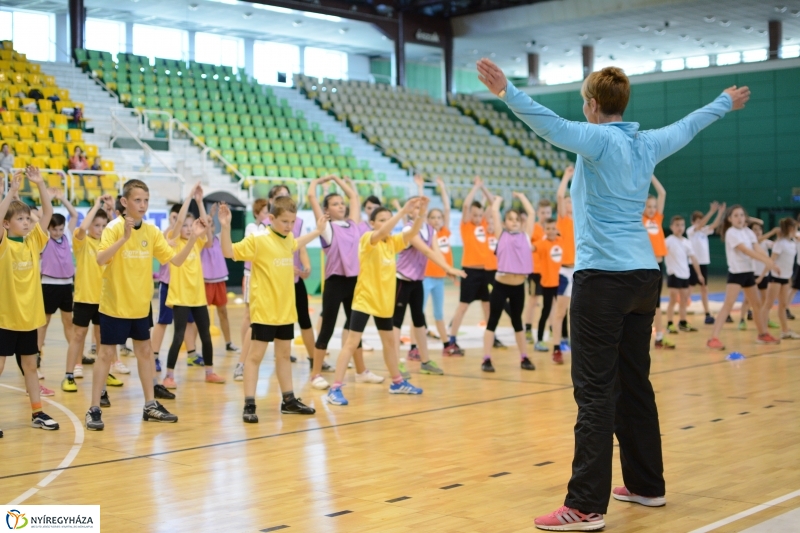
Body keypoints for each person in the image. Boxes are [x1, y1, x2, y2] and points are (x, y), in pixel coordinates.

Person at [477, 57, 750, 530]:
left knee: (595, 392)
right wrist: (724, 102)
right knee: (634, 383)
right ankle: (647, 485)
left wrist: (506, 91)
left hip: (602, 280)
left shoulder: (597, 139)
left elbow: (548, 123)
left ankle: (585, 505)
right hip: (644, 276)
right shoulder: (647, 142)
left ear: (591, 105)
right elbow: (690, 125)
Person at [85, 179, 207, 431]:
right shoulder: (113, 228)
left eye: (146, 200)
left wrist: (193, 238)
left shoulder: (151, 231)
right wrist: (124, 238)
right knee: (105, 355)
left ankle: (150, 405)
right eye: (137, 200)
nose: (142, 205)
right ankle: (94, 408)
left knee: (144, 353)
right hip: (115, 305)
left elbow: (175, 261)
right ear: (124, 202)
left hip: (140, 306)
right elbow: (100, 259)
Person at [219, 199, 325, 422]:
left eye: (292, 222)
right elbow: (228, 251)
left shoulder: (288, 239)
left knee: (284, 356)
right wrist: (226, 226)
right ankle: (249, 404)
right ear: (271, 218)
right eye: (285, 221)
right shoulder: (258, 240)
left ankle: (288, 401)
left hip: (285, 311)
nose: (289, 226)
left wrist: (317, 231)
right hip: (264, 311)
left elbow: (297, 242)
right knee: (255, 357)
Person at [324, 198, 428, 406]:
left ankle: (397, 382)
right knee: (352, 343)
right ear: (372, 223)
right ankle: (334, 388)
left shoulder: (391, 242)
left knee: (389, 343)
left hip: (384, 303)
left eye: (388, 219)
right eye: (381, 219)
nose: (386, 223)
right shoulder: (368, 239)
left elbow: (412, 233)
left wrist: (421, 213)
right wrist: (401, 213)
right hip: (365, 300)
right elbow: (383, 231)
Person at [0, 168, 61, 435]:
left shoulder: (33, 241)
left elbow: (47, 214)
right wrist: (11, 192)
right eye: (20, 219)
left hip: (28, 319)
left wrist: (40, 185)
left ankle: (37, 412)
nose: (26, 222)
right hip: (4, 318)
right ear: (6, 224)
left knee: (30, 367)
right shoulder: (4, 244)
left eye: (27, 218)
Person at [307, 175, 379, 390]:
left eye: (341, 203)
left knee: (355, 328)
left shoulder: (353, 225)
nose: (341, 206)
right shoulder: (327, 227)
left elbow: (354, 197)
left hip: (355, 283)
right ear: (327, 210)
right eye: (335, 204)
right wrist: (317, 183)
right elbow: (311, 197)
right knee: (327, 328)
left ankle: (361, 372)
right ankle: (315, 374)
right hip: (335, 283)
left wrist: (338, 179)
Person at [392, 178, 465, 378]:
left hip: (418, 281)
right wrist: (448, 267)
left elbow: (436, 251)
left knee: (420, 322)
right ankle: (396, 364)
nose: (419, 210)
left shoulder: (431, 230)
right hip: (402, 280)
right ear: (410, 212)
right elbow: (426, 251)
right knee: (396, 322)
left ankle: (425, 362)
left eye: (421, 206)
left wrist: (447, 269)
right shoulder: (408, 229)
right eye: (415, 207)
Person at [163, 185, 224, 389]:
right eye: (185, 226)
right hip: (180, 296)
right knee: (178, 335)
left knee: (205, 335)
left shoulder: (197, 242)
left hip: (197, 297)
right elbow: (179, 220)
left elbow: (205, 226)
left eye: (191, 225)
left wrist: (200, 201)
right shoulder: (173, 242)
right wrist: (189, 196)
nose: (188, 228)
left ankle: (209, 372)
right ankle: (169, 375)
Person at [707, 206, 780, 350]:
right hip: (737, 273)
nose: (739, 218)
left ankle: (762, 334)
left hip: (748, 272)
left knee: (756, 304)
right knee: (728, 305)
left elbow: (757, 248)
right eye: (736, 215)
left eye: (741, 215)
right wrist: (766, 261)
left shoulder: (748, 232)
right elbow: (746, 251)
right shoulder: (731, 233)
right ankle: (713, 338)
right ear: (730, 219)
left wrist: (770, 261)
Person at [62, 195, 113, 398]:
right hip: (84, 298)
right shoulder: (81, 242)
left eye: (103, 225)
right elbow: (82, 228)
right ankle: (69, 375)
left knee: (103, 339)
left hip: (105, 299)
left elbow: (118, 230)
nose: (100, 229)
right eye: (97, 225)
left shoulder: (107, 244)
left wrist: (110, 211)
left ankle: (104, 376)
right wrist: (97, 204)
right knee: (78, 336)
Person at [481, 193, 535, 373]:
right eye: (510, 219)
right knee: (492, 321)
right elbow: (495, 212)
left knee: (517, 322)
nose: (514, 222)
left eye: (517, 219)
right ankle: (486, 358)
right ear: (504, 223)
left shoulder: (526, 236)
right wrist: (497, 201)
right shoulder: (501, 234)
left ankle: (524, 357)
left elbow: (532, 213)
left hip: (518, 287)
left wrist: (522, 197)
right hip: (501, 286)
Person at [37, 189, 82, 395]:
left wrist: (62, 198)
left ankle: (76, 361)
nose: (57, 232)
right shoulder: (44, 237)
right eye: (54, 229)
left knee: (69, 322)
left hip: (66, 285)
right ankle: (36, 359)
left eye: (60, 229)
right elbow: (41, 214)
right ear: (49, 228)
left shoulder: (67, 237)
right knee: (43, 323)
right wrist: (47, 197)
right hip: (48, 284)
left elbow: (74, 215)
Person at [150, 203, 196, 390]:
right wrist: (174, 224)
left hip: (185, 287)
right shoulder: (168, 235)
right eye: (177, 218)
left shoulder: (189, 238)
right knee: (163, 322)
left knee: (189, 322)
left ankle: (192, 353)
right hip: (168, 285)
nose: (180, 222)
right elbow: (164, 240)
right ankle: (154, 356)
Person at [446, 177, 491, 355]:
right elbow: (466, 205)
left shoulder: (484, 223)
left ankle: (491, 336)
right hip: (470, 271)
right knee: (463, 306)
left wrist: (483, 188)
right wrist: (476, 187)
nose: (478, 218)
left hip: (485, 272)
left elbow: (492, 203)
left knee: (487, 306)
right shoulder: (466, 226)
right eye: (475, 215)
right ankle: (452, 339)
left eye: (480, 215)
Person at [233, 197, 269, 381]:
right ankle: (243, 357)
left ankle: (248, 356)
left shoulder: (273, 230)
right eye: (265, 212)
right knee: (249, 315)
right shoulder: (252, 228)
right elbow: (254, 247)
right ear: (256, 213)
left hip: (266, 276)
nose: (268, 215)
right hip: (251, 274)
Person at [200, 203, 239, 354]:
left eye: (212, 224)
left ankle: (228, 342)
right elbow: (206, 231)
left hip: (219, 281)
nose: (210, 226)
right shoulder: (202, 240)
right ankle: (200, 346)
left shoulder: (218, 239)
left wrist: (222, 216)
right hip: (205, 282)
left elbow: (225, 230)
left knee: (223, 313)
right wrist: (209, 217)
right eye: (208, 224)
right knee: (201, 316)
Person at [642, 176, 673, 349]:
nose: (652, 209)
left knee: (657, 302)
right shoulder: (640, 220)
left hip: (658, 266)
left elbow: (662, 193)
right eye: (649, 206)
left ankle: (659, 337)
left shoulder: (657, 219)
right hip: (645, 266)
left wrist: (651, 176)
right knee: (644, 302)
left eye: (654, 206)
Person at [423, 177, 454, 348]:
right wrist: (421, 188)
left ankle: (446, 345)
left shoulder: (445, 232)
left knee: (439, 313)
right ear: (428, 220)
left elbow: (447, 208)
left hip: (440, 279)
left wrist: (442, 187)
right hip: (425, 278)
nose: (436, 220)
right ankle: (415, 347)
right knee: (419, 312)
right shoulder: (426, 233)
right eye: (433, 217)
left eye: (439, 217)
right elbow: (421, 211)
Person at [550, 167, 575, 361]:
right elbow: (559, 195)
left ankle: (578, 345)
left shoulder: (581, 219)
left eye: (571, 201)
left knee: (579, 312)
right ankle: (556, 348)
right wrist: (566, 176)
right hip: (565, 272)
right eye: (567, 201)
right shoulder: (563, 220)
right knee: (560, 312)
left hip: (581, 271)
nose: (569, 203)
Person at [664, 215, 704, 334]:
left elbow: (694, 258)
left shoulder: (687, 242)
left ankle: (682, 322)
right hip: (674, 274)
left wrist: (699, 274)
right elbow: (660, 252)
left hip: (685, 274)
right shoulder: (668, 241)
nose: (680, 227)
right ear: (671, 227)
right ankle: (670, 324)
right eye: (677, 225)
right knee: (673, 300)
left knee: (684, 300)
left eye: (682, 225)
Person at [687, 202, 725, 324]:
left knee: (704, 289)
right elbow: (701, 225)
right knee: (689, 289)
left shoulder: (704, 231)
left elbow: (714, 225)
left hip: (703, 263)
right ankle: (682, 309)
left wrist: (720, 213)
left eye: (701, 221)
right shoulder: (691, 231)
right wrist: (711, 211)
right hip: (693, 264)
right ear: (693, 222)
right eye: (697, 221)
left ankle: (707, 314)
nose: (700, 223)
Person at [532, 218, 563, 360]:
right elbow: (531, 248)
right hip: (547, 283)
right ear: (544, 230)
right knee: (546, 311)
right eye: (548, 228)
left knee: (562, 312)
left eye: (553, 228)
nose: (551, 231)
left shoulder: (561, 242)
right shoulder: (542, 244)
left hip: (561, 283)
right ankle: (539, 340)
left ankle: (563, 339)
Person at [764, 218, 799, 339]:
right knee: (768, 304)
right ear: (791, 228)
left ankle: (785, 331)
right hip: (776, 278)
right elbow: (771, 260)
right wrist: (762, 275)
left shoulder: (792, 243)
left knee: (783, 305)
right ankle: (763, 332)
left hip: (785, 278)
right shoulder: (780, 243)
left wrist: (789, 278)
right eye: (796, 228)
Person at [524, 198, 553, 342]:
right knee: (533, 300)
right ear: (537, 213)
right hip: (535, 271)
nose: (545, 215)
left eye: (548, 212)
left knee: (551, 302)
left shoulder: (554, 229)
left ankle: (553, 329)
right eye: (543, 212)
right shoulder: (534, 228)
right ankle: (528, 329)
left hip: (550, 271)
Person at [739, 221, 775, 330]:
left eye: (759, 229)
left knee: (765, 299)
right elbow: (758, 240)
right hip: (752, 274)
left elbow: (776, 246)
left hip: (763, 275)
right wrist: (773, 232)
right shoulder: (750, 243)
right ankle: (742, 320)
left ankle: (766, 319)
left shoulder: (766, 243)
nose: (758, 231)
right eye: (755, 229)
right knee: (747, 299)